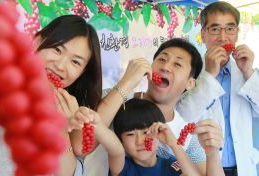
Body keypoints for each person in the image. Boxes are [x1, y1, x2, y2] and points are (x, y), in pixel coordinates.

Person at [80, 38, 224, 176]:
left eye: (177, 64)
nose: (166, 67)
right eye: (162, 59)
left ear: (190, 83)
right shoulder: (114, 98)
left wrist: (213, 155)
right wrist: (127, 82)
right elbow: (81, 146)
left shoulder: (186, 139)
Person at [0, 15, 102, 176]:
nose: (60, 65)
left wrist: (62, 129)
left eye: (75, 62)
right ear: (37, 41)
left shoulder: (73, 113)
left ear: (83, 71)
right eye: (58, 50)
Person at [175, 2, 259, 175]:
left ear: (236, 35)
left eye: (230, 29)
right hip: (205, 168)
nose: (223, 37)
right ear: (203, 35)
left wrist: (248, 73)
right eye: (215, 29)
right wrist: (210, 75)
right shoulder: (188, 75)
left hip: (244, 168)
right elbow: (182, 117)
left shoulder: (248, 73)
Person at [70, 99, 201, 176]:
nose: (140, 142)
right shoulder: (124, 168)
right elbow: (115, 149)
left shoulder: (170, 165)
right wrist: (97, 124)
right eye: (130, 134)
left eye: (146, 132)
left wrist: (173, 143)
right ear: (121, 140)